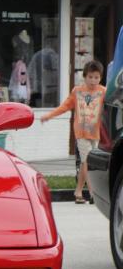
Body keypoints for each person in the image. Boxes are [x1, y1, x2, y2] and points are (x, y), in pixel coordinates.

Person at [41, 60, 106, 204]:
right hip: (81, 133)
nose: (93, 80)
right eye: (90, 77)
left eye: (96, 77)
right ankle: (93, 193)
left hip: (95, 133)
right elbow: (64, 107)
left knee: (86, 163)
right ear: (84, 76)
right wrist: (49, 115)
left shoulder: (103, 92)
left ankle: (78, 192)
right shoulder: (77, 92)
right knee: (87, 161)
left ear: (100, 77)